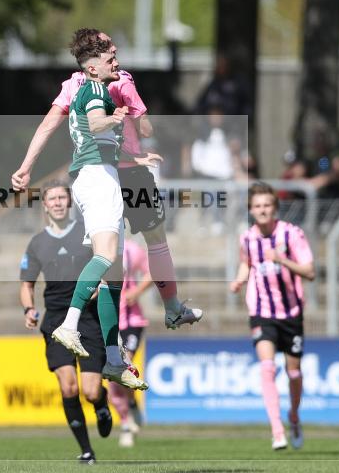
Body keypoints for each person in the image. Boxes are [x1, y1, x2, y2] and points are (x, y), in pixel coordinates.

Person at [11, 28, 202, 331]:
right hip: (125, 173)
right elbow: (146, 130)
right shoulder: (121, 81)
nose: (115, 51)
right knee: (154, 241)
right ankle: (171, 308)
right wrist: (133, 107)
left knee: (110, 264)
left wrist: (25, 167)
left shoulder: (73, 85)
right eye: (110, 46)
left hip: (94, 175)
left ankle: (111, 351)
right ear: (96, 57)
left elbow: (48, 126)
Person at [46, 31, 154, 391]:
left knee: (114, 278)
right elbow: (95, 124)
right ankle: (70, 324)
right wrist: (117, 115)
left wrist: (136, 156)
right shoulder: (94, 90)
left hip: (101, 175)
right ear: (92, 67)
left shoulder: (97, 92)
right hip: (97, 180)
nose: (116, 62)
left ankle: (111, 358)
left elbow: (98, 139)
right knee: (106, 256)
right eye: (110, 58)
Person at [20, 179, 113, 464]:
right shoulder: (37, 243)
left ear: (69, 202)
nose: (58, 203)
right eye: (53, 199)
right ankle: (86, 450)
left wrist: (102, 286)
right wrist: (29, 309)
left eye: (62, 197)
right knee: (68, 387)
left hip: (87, 317)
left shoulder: (87, 234)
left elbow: (108, 264)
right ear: (45, 205)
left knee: (90, 390)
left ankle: (101, 403)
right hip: (56, 320)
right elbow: (26, 284)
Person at [230, 182, 315, 451]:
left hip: (291, 312)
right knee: (267, 367)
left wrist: (281, 260)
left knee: (293, 373)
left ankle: (294, 417)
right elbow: (246, 263)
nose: (262, 210)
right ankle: (277, 430)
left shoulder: (292, 234)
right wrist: (239, 280)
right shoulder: (246, 238)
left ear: (275, 208)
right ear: (251, 210)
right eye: (257, 206)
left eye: (267, 205)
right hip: (261, 312)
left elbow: (310, 271)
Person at [109, 239, 151, 448]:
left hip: (131, 322)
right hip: (107, 322)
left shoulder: (131, 249)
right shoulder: (91, 246)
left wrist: (137, 291)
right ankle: (127, 420)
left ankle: (130, 411)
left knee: (123, 366)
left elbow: (152, 272)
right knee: (113, 378)